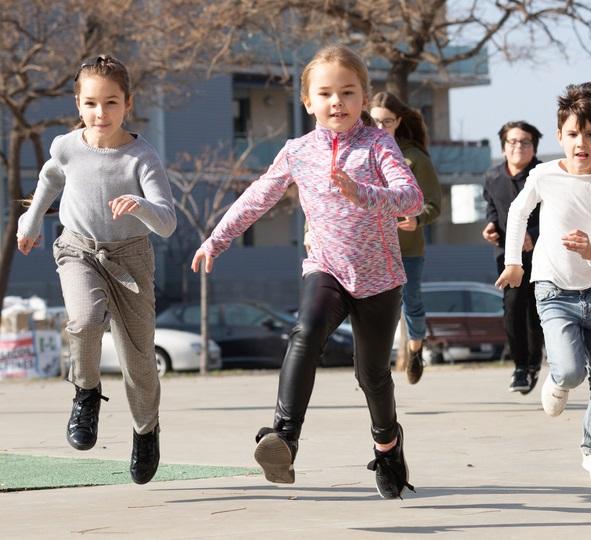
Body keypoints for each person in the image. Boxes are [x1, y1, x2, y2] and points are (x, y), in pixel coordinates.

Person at [191, 45, 423, 499]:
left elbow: (410, 197)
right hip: (326, 267)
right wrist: (216, 238)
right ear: (308, 102)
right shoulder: (297, 152)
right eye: (326, 93)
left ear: (363, 97)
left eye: (348, 92)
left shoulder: (379, 144)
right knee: (306, 330)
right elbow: (258, 197)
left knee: (371, 374)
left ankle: (388, 447)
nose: (337, 101)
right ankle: (284, 438)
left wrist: (363, 193)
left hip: (380, 278)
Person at [16, 55, 177, 484]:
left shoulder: (142, 156)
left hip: (130, 258)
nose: (99, 114)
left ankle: (146, 431)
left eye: (110, 103)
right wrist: (29, 222)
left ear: (128, 103)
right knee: (85, 320)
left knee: (139, 362)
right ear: (77, 103)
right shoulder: (67, 146)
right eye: (90, 103)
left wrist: (140, 206)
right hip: (77, 249)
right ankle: (86, 393)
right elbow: (51, 177)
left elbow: (167, 221)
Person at [496, 83, 591, 480]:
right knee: (572, 372)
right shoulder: (543, 175)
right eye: (573, 134)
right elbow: (517, 214)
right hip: (553, 292)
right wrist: (514, 262)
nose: (581, 143)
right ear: (559, 136)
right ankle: (557, 380)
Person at [369, 91, 442, 385]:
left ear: (398, 121)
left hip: (407, 247)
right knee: (373, 307)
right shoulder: (360, 154)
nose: (380, 128)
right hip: (371, 247)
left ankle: (415, 349)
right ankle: (374, 363)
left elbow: (434, 204)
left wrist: (418, 218)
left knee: (410, 302)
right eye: (375, 121)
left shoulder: (414, 158)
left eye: (387, 122)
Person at [482, 121, 545, 393]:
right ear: (504, 146)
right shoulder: (493, 177)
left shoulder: (545, 174)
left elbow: (560, 212)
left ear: (534, 147)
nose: (518, 146)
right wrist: (491, 226)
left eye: (525, 142)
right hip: (508, 256)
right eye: (512, 142)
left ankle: (533, 363)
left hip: (543, 254)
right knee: (512, 307)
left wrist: (534, 233)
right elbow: (491, 209)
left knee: (536, 311)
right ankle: (521, 367)